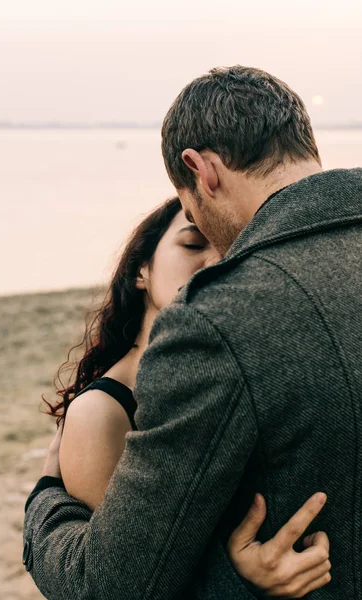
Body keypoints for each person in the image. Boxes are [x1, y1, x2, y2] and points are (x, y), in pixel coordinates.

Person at [23, 65, 362, 599]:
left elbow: (116, 587)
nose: (213, 250)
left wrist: (45, 499)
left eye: (189, 211)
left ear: (201, 171)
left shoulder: (220, 319)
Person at [27, 196, 330, 598]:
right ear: (141, 269)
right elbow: (124, 582)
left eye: (230, 251)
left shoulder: (225, 380)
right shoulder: (101, 412)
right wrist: (244, 578)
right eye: (192, 245)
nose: (216, 262)